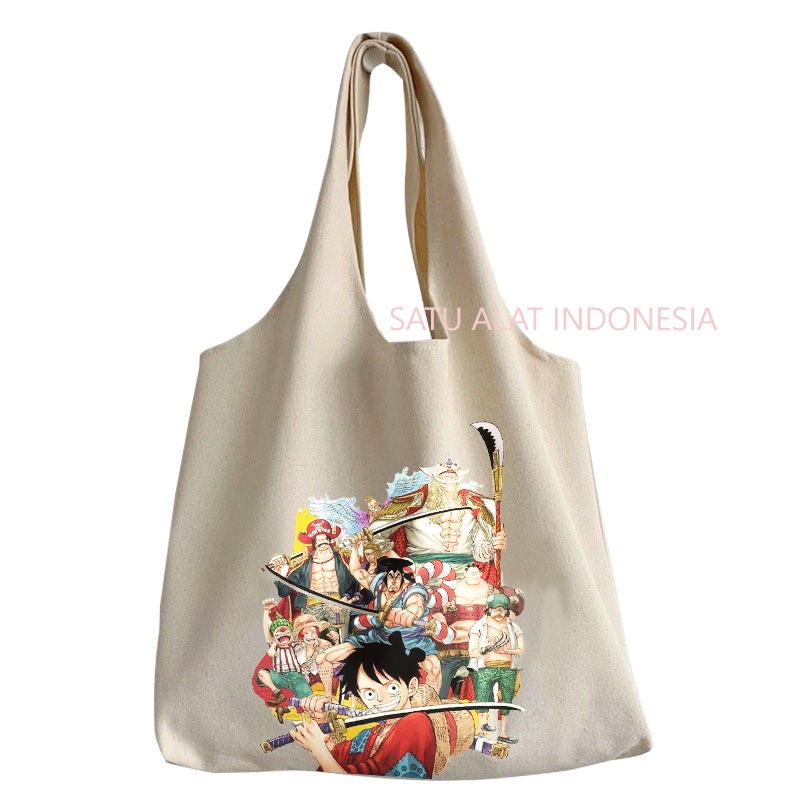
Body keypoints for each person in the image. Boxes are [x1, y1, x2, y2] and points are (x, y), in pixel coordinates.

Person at [291, 632, 437, 778]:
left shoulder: (415, 722)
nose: (381, 699)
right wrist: (320, 728)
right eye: (369, 694)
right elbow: (340, 756)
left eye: (392, 688)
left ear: (411, 686)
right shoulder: (373, 733)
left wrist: (319, 750)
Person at [369, 459, 506, 584]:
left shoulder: (473, 506)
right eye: (445, 474)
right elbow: (373, 534)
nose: (449, 477)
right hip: (420, 577)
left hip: (466, 578)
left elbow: (480, 553)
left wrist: (491, 547)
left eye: (452, 474)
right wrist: (399, 562)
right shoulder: (414, 503)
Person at [328, 555, 442, 694]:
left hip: (410, 641)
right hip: (379, 638)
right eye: (390, 576)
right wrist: (354, 547)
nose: (393, 581)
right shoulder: (379, 586)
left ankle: (431, 701)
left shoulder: (413, 592)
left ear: (404, 578)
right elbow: (356, 571)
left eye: (397, 577)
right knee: (327, 657)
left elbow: (415, 606)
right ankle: (329, 696)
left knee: (434, 668)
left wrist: (407, 614)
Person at [278, 519, 360, 637]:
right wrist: (279, 572)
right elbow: (285, 589)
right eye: (319, 540)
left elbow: (357, 577)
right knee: (311, 637)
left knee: (340, 636)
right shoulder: (304, 562)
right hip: (312, 603)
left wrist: (346, 599)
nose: (322, 542)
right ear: (314, 542)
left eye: (324, 539)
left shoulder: (342, 557)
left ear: (329, 540)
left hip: (336, 601)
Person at [468, 593, 524, 744]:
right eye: (495, 610)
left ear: (506, 610)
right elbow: (472, 651)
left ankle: (503, 732)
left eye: (502, 610)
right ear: (489, 610)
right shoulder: (480, 625)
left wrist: (507, 651)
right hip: (486, 668)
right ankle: (480, 729)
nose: (499, 613)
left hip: (507, 669)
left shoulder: (513, 627)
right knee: (482, 697)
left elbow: (521, 649)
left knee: (507, 700)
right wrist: (485, 648)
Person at [256, 602, 313, 723]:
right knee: (262, 673)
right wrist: (266, 611)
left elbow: (307, 642)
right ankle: (277, 693)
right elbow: (267, 631)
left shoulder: (295, 644)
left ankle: (285, 709)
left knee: (307, 699)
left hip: (297, 677)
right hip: (281, 676)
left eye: (286, 631)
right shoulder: (274, 646)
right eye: (278, 632)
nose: (282, 633)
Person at [292, 613, 335, 698]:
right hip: (305, 678)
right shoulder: (297, 648)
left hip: (322, 676)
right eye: (306, 633)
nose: (310, 636)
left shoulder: (324, 645)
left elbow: (335, 658)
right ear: (301, 636)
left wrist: (336, 641)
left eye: (313, 632)